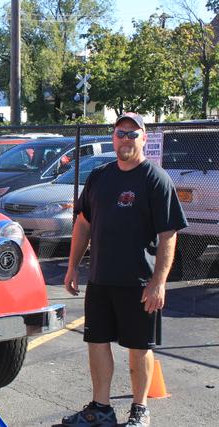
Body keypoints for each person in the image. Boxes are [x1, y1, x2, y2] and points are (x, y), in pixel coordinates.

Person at [61, 113, 188, 427]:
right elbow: (83, 225)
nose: (126, 139)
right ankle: (101, 408)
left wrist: (159, 282)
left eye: (133, 134)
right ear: (113, 137)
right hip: (101, 279)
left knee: (138, 346)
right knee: (97, 341)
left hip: (139, 282)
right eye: (121, 133)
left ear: (144, 138)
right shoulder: (100, 177)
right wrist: (72, 267)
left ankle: (139, 410)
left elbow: (168, 233)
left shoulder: (155, 179)